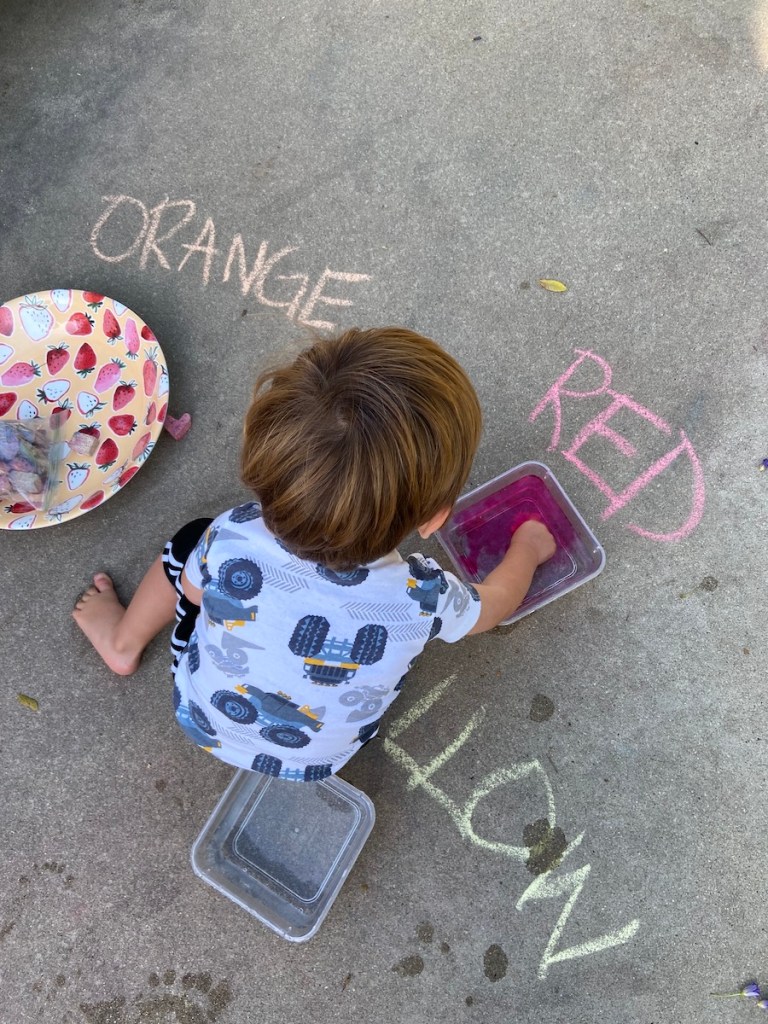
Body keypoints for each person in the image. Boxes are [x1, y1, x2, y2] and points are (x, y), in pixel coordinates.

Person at [73, 327, 555, 782]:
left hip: (200, 716)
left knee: (191, 542)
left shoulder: (233, 534)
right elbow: (494, 606)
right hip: (318, 761)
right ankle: (124, 645)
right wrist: (529, 548)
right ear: (434, 520)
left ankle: (123, 641)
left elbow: (194, 595)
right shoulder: (423, 597)